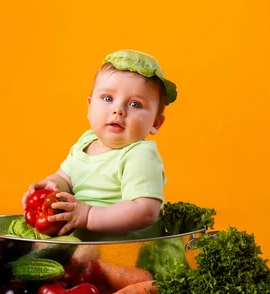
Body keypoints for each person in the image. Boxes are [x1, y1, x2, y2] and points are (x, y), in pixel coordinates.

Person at [21, 49, 178, 241]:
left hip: (124, 251)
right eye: (108, 98)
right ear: (89, 107)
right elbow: (66, 179)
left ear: (155, 123)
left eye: (135, 104)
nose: (118, 110)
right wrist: (51, 186)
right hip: (82, 248)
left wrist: (88, 216)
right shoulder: (85, 142)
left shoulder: (139, 155)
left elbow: (144, 210)